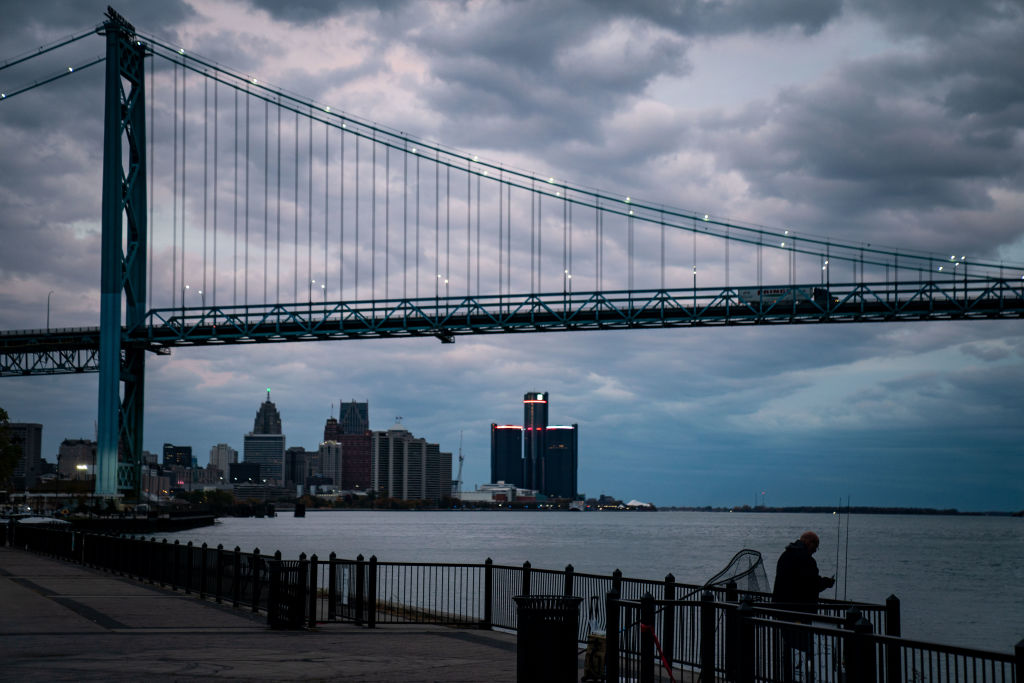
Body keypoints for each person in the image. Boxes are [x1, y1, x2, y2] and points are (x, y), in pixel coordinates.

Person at [772, 531, 835, 682]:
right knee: (805, 649)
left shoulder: (785, 555)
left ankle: (788, 676)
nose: (815, 551)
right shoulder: (806, 560)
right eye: (816, 547)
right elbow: (812, 584)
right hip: (800, 613)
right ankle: (806, 678)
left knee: (790, 648)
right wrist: (827, 583)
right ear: (809, 543)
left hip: (782, 611)